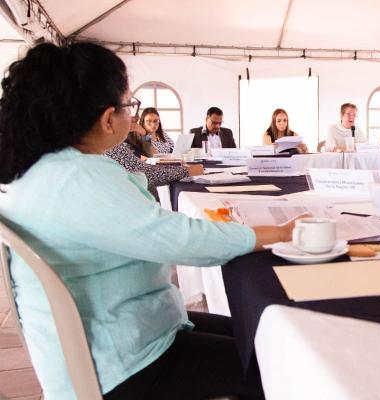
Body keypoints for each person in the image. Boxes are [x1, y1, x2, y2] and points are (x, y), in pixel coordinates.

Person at [0, 41, 300, 399]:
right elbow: (179, 239)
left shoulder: (46, 170)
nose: (134, 114)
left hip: (116, 338)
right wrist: (273, 234)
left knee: (263, 330)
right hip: (122, 363)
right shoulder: (77, 178)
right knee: (284, 362)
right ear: (108, 117)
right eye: (131, 104)